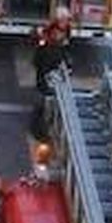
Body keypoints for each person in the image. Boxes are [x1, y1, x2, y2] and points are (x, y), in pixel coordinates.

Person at [29, 8, 73, 140]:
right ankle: (38, 130)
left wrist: (67, 64)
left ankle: (44, 128)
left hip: (54, 68)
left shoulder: (66, 31)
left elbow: (65, 48)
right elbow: (39, 41)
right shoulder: (48, 32)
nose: (66, 22)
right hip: (46, 67)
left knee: (49, 101)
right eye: (64, 20)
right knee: (43, 100)